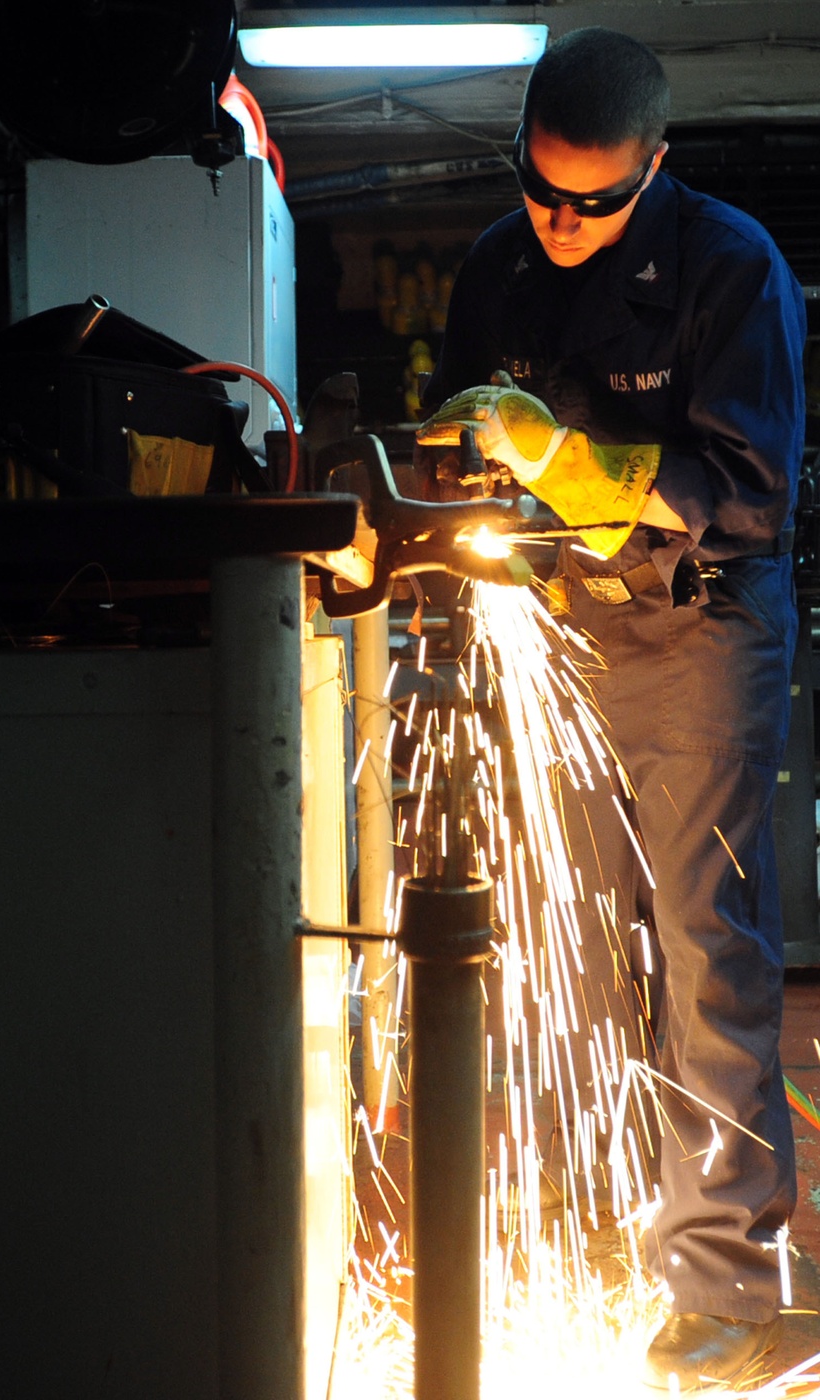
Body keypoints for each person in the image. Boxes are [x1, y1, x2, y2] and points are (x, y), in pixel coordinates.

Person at [417, 26, 806, 1393]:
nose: (562, 222)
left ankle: (729, 1298)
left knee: (705, 954)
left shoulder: (734, 266)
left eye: (596, 200)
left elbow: (748, 493)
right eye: (541, 191)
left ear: (657, 165)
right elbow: (468, 460)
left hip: (702, 628)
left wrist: (565, 457)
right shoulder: (492, 267)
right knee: (569, 953)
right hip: (562, 631)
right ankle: (585, 1241)